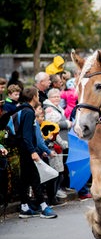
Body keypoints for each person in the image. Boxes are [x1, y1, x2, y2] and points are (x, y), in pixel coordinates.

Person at [14, 87, 58, 219]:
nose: (38, 96)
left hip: (23, 149)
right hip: (28, 150)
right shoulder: (29, 112)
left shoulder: (23, 109)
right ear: (33, 96)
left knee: (25, 179)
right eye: (37, 94)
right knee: (35, 178)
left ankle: (24, 207)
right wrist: (33, 151)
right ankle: (44, 207)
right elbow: (27, 135)